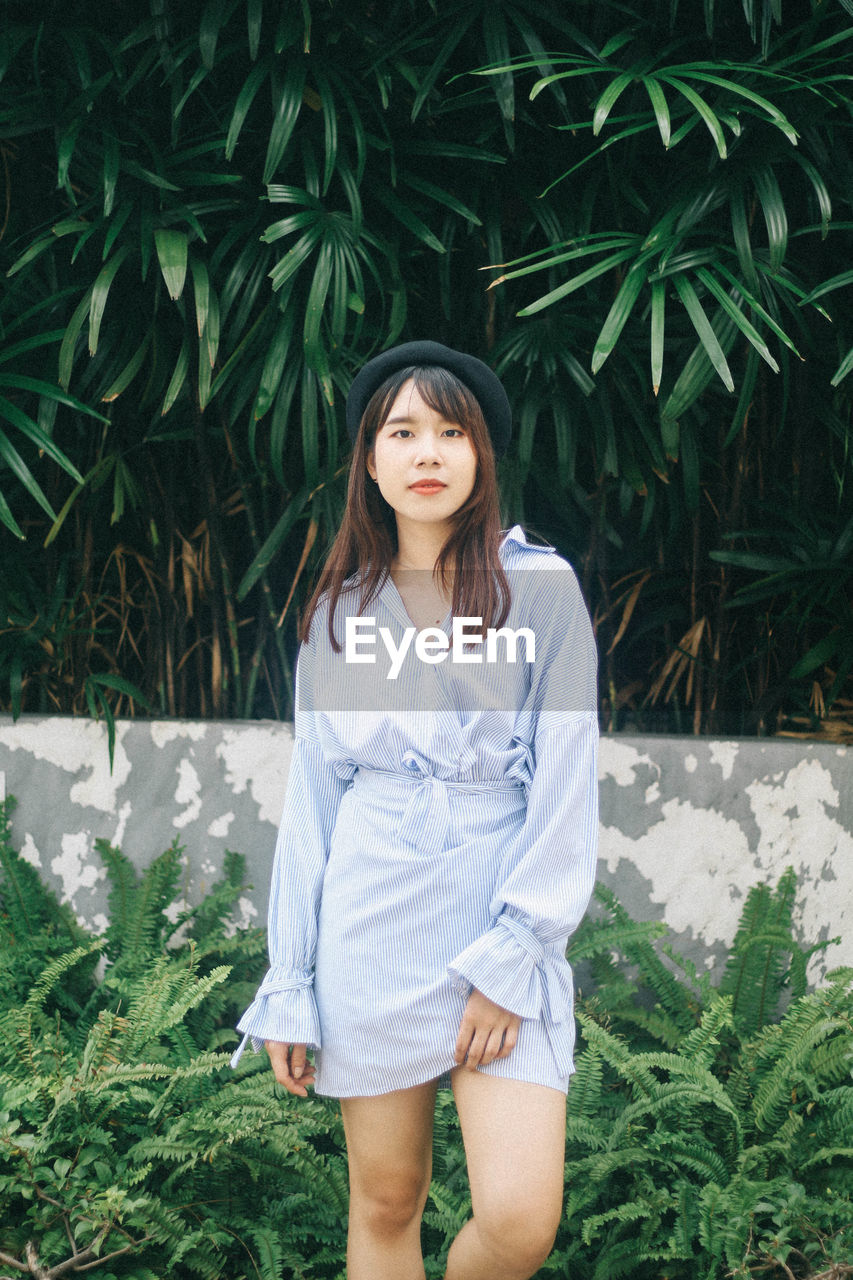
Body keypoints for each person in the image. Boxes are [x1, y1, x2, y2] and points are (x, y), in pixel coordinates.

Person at [231, 340, 599, 1280]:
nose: (426, 452)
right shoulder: (336, 614)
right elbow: (312, 803)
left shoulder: (540, 592)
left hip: (497, 926)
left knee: (518, 1221)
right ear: (369, 458)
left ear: (482, 456)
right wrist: (292, 981)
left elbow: (565, 784)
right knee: (386, 1201)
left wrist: (515, 955)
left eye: (450, 431)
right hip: (372, 918)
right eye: (402, 432)